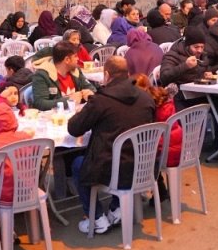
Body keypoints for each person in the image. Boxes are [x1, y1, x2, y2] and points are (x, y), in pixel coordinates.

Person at [67, 56, 155, 233]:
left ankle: (96, 217)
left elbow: (74, 128)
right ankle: (116, 207)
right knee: (117, 151)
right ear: (128, 74)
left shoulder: (101, 100)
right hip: (142, 163)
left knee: (77, 164)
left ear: (106, 75)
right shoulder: (146, 98)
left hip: (111, 166)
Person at [30, 42, 95, 111]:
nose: (78, 59)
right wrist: (68, 101)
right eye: (75, 56)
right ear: (67, 60)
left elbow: (91, 88)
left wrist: (89, 93)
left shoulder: (75, 71)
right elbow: (40, 103)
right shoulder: (42, 75)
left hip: (77, 114)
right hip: (55, 118)